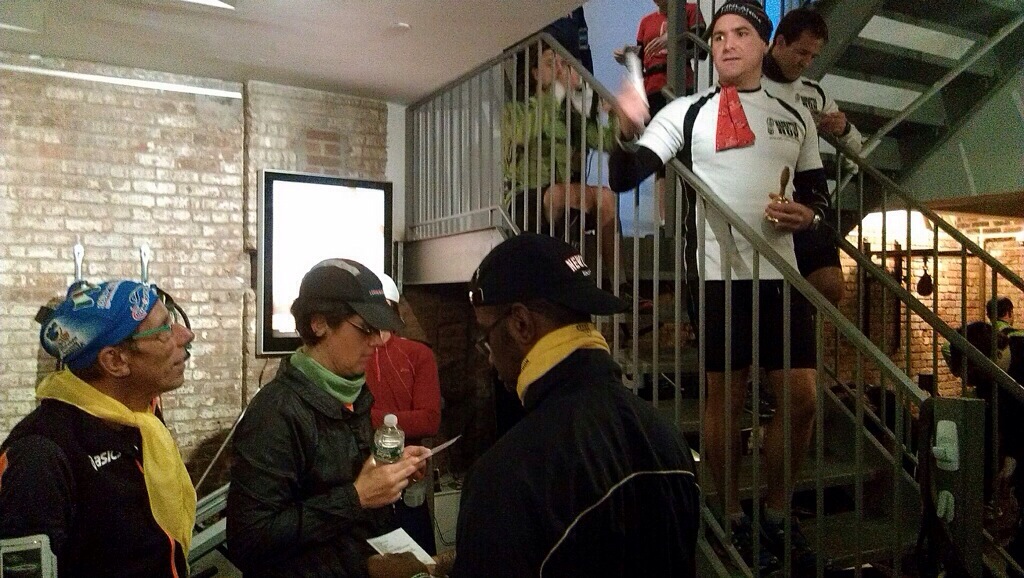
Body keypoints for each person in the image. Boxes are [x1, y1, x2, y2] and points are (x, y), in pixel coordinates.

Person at [609, 1, 830, 572]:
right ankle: (729, 512)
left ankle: (776, 512)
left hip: (782, 277)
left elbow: (817, 196)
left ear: (764, 44)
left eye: (740, 33)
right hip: (716, 278)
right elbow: (624, 175)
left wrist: (808, 216)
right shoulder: (685, 112)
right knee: (724, 400)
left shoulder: (796, 115)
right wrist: (624, 128)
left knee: (803, 400)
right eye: (718, 36)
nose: (727, 44)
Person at [448, 233, 699, 577]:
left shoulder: (505, 477)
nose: (489, 358)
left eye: (486, 335)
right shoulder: (667, 438)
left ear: (521, 324)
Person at [227, 259, 430, 578]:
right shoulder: (275, 413)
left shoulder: (353, 395)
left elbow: (339, 480)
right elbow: (250, 540)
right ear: (319, 324)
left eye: (380, 329)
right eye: (366, 328)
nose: (378, 341)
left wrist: (388, 470)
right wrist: (357, 497)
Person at [0, 279, 196, 577]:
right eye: (164, 329)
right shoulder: (39, 456)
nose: (186, 335)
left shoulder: (140, 419)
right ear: (115, 361)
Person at [762, 7, 863, 306]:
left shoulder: (814, 92)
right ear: (780, 42)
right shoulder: (749, 81)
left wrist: (843, 129)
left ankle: (794, 325)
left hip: (807, 193)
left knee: (830, 287)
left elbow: (856, 146)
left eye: (813, 56)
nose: (806, 62)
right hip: (762, 191)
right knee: (769, 285)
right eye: (801, 52)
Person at [505, 43, 620, 277]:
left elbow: (607, 143)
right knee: (560, 194)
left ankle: (620, 283)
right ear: (535, 73)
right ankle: (560, 271)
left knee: (606, 197)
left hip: (562, 195)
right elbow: (522, 133)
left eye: (563, 64)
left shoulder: (571, 116)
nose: (560, 70)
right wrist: (557, 92)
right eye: (551, 64)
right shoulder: (515, 110)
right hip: (523, 197)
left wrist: (615, 114)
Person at [365, 274, 441, 555]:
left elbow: (429, 420)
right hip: (361, 482)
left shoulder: (417, 354)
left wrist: (369, 419)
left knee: (416, 563)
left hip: (407, 483)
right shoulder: (352, 357)